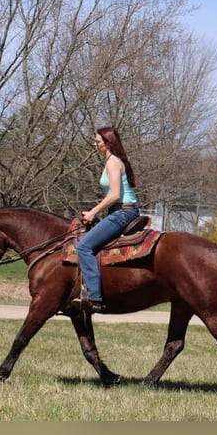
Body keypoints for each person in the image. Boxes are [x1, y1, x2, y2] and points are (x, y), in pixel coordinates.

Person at [73, 126, 140, 313]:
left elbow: (115, 195)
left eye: (98, 142)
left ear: (108, 143)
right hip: (118, 211)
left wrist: (93, 212)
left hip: (123, 212)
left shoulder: (112, 163)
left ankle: (94, 297)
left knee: (84, 247)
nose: (95, 145)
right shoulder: (114, 161)